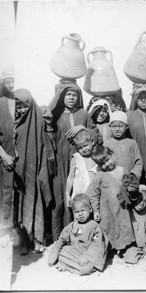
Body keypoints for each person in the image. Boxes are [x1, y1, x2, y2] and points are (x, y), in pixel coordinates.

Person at [0, 88, 54, 254]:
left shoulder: (37, 122)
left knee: (34, 202)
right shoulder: (7, 121)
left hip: (33, 172)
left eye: (25, 106)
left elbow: (48, 145)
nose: (21, 109)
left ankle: (38, 239)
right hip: (13, 173)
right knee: (17, 205)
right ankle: (24, 240)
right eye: (18, 106)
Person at [44, 80, 95, 239]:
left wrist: (82, 127)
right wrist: (49, 125)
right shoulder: (56, 114)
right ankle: (61, 236)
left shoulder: (84, 114)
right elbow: (50, 140)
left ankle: (84, 234)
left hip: (82, 161)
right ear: (61, 96)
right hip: (61, 161)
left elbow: (96, 135)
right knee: (62, 197)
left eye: (75, 95)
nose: (72, 98)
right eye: (68, 94)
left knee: (82, 195)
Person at [86, 145, 135, 255]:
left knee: (123, 225)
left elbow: (130, 185)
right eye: (101, 164)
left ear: (112, 154)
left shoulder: (123, 171)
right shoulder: (100, 175)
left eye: (107, 160)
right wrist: (96, 210)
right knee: (108, 228)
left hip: (122, 209)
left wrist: (131, 190)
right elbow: (93, 194)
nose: (106, 164)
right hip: (106, 210)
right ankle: (109, 248)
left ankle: (123, 247)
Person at [47, 194, 106, 275]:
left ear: (90, 209)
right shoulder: (72, 225)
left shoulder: (94, 226)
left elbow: (97, 244)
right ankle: (70, 265)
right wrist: (53, 254)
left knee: (86, 269)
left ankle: (67, 265)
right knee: (62, 251)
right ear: (73, 212)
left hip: (87, 256)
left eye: (83, 210)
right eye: (77, 212)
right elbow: (61, 240)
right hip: (75, 253)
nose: (80, 214)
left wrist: (87, 257)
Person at [65, 128, 98, 215]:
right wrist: (67, 195)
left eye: (86, 145)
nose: (84, 149)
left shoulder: (97, 158)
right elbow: (70, 177)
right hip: (79, 199)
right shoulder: (75, 158)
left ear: (92, 142)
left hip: (94, 198)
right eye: (80, 148)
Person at [104, 111, 143, 180]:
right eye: (114, 126)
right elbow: (103, 162)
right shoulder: (107, 144)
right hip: (112, 180)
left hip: (129, 180)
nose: (117, 129)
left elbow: (138, 162)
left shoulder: (132, 143)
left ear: (126, 126)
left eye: (120, 126)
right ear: (110, 127)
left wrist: (134, 175)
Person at [123, 185, 146, 264]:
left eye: (145, 201)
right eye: (139, 200)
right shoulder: (127, 212)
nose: (141, 203)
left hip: (142, 246)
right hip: (130, 245)